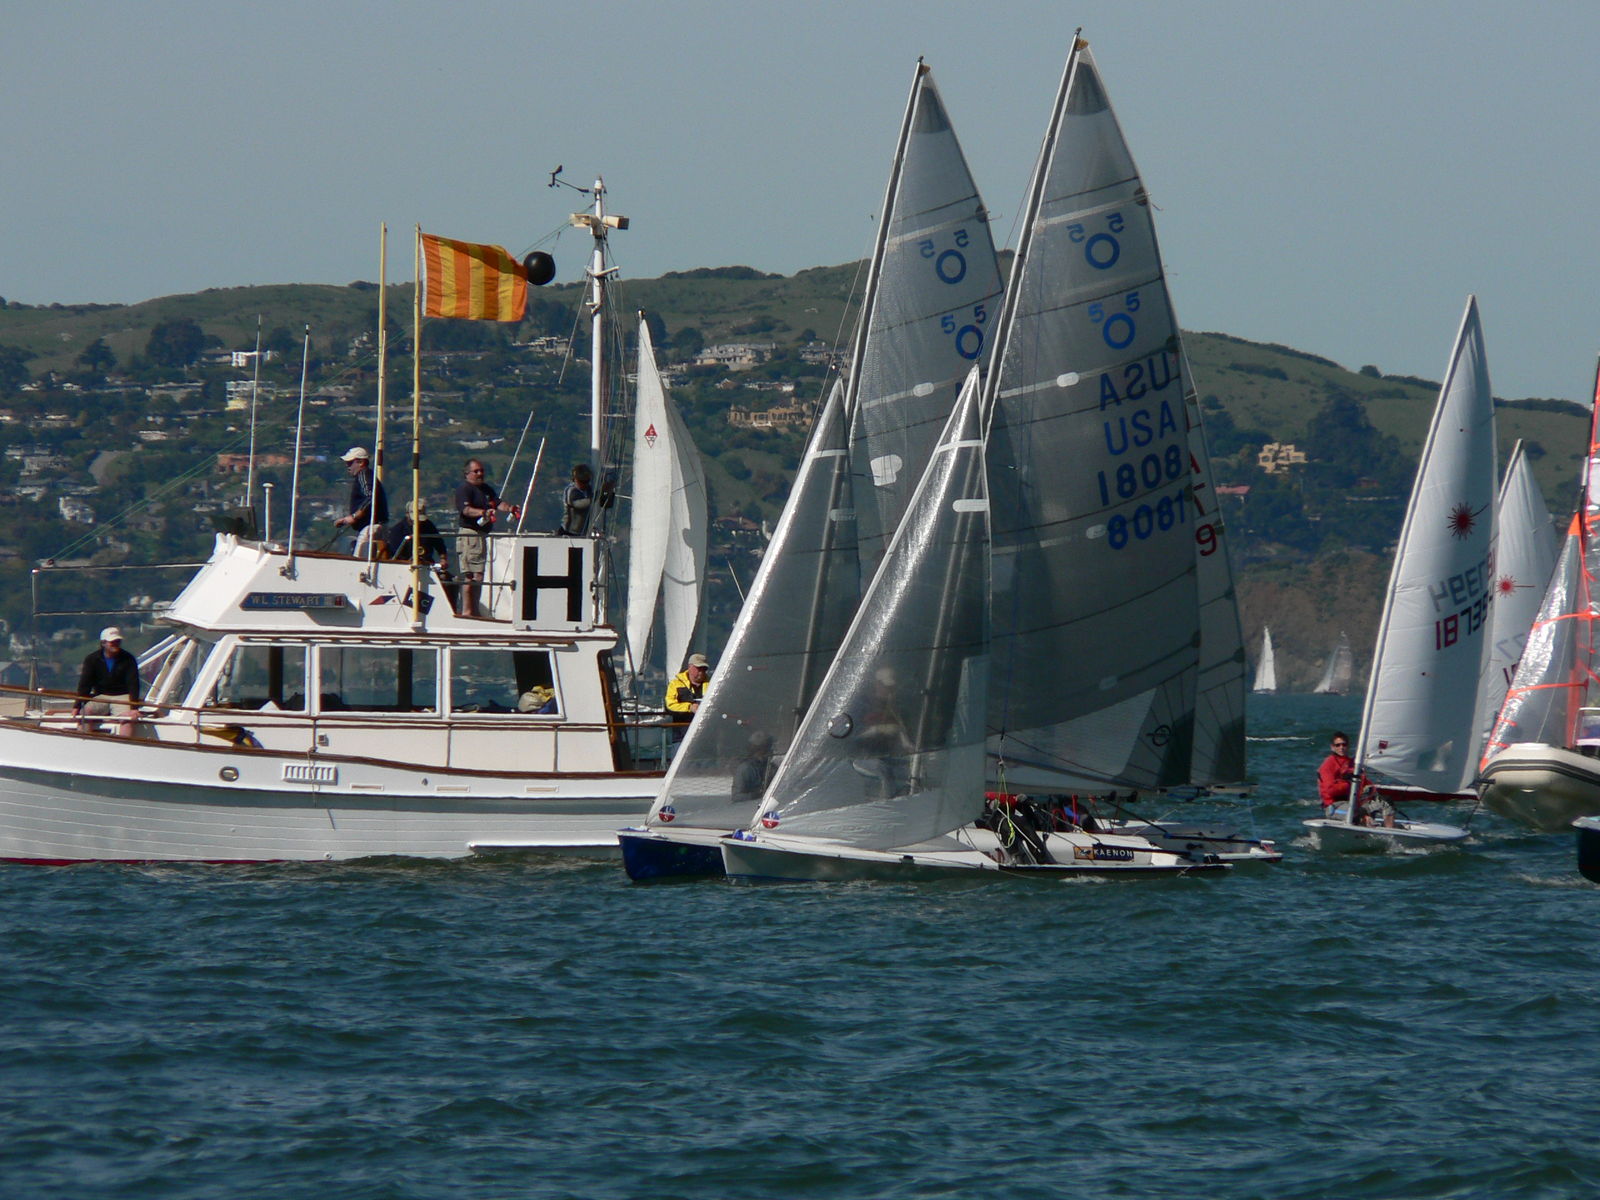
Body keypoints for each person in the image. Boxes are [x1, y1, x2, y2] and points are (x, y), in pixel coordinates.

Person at [454, 459, 516, 618]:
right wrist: (483, 512)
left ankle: (474, 610)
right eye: (476, 471)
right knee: (471, 575)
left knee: (479, 575)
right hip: (470, 535)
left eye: (481, 470)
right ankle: (468, 611)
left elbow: (497, 503)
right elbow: (466, 510)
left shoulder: (486, 489)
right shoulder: (464, 489)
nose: (480, 474)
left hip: (481, 535)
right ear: (467, 473)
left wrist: (510, 508)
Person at [73, 626, 141, 737]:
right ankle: (84, 740)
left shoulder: (128, 659)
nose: (115, 644)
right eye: (112, 642)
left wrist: (134, 708)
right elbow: (85, 684)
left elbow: (133, 684)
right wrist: (77, 706)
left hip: (122, 696)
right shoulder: (92, 659)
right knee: (85, 713)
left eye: (117, 641)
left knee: (128, 718)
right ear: (103, 643)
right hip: (101, 696)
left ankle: (124, 743)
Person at [1316, 731, 1393, 827]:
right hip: (1335, 806)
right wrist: (1349, 783)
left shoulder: (1353, 764)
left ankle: (1390, 832)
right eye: (1338, 745)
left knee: (1386, 804)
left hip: (1356, 804)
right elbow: (1330, 790)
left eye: (1344, 744)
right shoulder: (1328, 765)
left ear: (1348, 746)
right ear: (1332, 747)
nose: (1341, 747)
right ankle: (1366, 825)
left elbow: (1364, 784)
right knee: (1356, 813)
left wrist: (1372, 791)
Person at [334, 447, 389, 554]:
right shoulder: (367, 476)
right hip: (374, 527)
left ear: (360, 462)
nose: (347, 466)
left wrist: (354, 516)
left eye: (350, 463)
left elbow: (370, 497)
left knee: (359, 559)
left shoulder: (363, 475)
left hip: (370, 528)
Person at [559, 463, 616, 536]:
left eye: (587, 481)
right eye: (582, 481)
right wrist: (599, 493)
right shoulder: (571, 491)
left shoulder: (588, 489)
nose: (585, 484)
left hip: (582, 532)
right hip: (568, 531)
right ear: (575, 479)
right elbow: (580, 504)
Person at [666, 653, 711, 721]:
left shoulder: (712, 683)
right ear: (690, 667)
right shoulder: (675, 684)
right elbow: (670, 705)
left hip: (706, 724)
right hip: (682, 725)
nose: (701, 672)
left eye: (704, 669)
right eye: (699, 668)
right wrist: (690, 707)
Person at [732, 730, 775, 802]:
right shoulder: (745, 769)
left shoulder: (772, 768)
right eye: (767, 749)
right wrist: (756, 795)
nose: (771, 752)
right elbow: (736, 797)